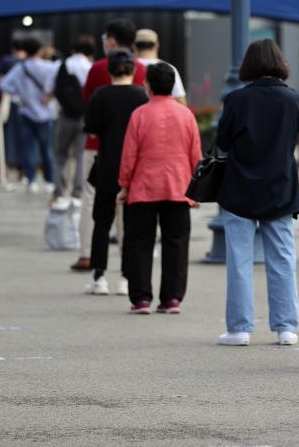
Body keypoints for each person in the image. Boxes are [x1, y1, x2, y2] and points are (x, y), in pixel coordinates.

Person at [215, 39, 299, 346]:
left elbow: (223, 141)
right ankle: (286, 328)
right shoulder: (291, 98)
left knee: (239, 259)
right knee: (282, 258)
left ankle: (240, 329)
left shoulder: (237, 99)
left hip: (240, 186)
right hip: (280, 185)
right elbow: (293, 139)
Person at [117, 62, 201, 314]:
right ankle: (171, 298)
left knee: (139, 242)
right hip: (178, 186)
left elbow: (129, 155)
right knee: (176, 242)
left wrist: (124, 185)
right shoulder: (186, 114)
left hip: (144, 187)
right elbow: (195, 154)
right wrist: (196, 190)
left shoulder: (139, 115)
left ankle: (141, 298)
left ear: (148, 85)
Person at [70, 19, 147, 272]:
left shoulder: (97, 69)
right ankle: (127, 261)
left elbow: (86, 102)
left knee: (91, 199)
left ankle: (87, 254)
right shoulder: (142, 70)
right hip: (132, 148)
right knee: (128, 202)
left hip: (98, 145)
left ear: (112, 40)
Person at [82, 50, 148, 296]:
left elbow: (91, 132)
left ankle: (99, 277)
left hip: (107, 164)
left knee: (102, 221)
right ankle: (126, 277)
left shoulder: (99, 96)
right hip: (134, 168)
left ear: (110, 70)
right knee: (131, 225)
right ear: (133, 70)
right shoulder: (142, 96)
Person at [0, 37, 57, 194]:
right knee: (47, 150)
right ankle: (49, 181)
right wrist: (49, 95)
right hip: (45, 113)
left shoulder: (20, 68)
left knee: (28, 149)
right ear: (39, 51)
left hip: (26, 112)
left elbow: (3, 84)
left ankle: (31, 181)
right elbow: (59, 79)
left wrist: (18, 95)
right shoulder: (48, 67)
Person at [52, 35, 94, 203]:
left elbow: (54, 88)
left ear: (73, 48)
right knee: (81, 155)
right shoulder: (90, 67)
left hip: (65, 115)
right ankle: (77, 191)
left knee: (60, 153)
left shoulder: (64, 65)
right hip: (84, 116)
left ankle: (59, 189)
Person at [0, 40, 27, 173]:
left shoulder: (6, 61)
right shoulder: (29, 62)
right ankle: (24, 170)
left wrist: (4, 79)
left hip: (8, 104)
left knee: (2, 135)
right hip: (27, 105)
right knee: (25, 137)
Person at [133, 28, 187, 104]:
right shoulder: (168, 68)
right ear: (157, 46)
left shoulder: (128, 67)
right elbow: (181, 101)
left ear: (134, 46)